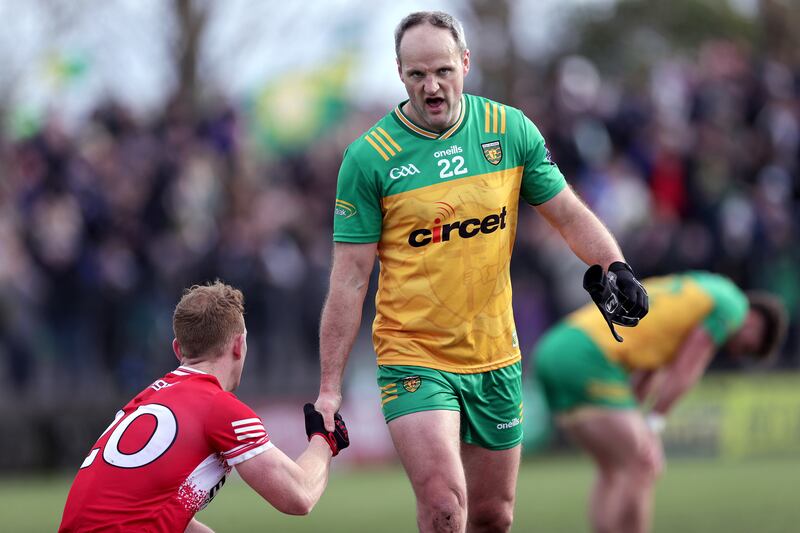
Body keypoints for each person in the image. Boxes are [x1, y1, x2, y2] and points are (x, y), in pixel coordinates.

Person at [314, 10, 647, 533]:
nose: (432, 86)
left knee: (493, 517)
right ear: (399, 74)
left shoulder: (509, 130)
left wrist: (615, 265)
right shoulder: (368, 158)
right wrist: (329, 389)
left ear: (465, 64)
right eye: (417, 74)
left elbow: (567, 213)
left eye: (443, 71)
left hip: (495, 354)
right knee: (446, 507)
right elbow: (349, 279)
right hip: (413, 356)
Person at [59, 281, 349, 533]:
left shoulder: (141, 402)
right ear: (239, 345)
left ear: (177, 349)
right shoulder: (218, 408)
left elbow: (146, 510)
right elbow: (299, 496)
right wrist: (324, 440)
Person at [533, 271, 787, 533]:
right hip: (588, 355)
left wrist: (635, 419)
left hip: (557, 346)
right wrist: (652, 426)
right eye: (747, 347)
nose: (735, 351)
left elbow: (646, 372)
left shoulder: (702, 288)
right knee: (643, 463)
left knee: (614, 468)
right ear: (755, 323)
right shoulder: (733, 306)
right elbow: (686, 369)